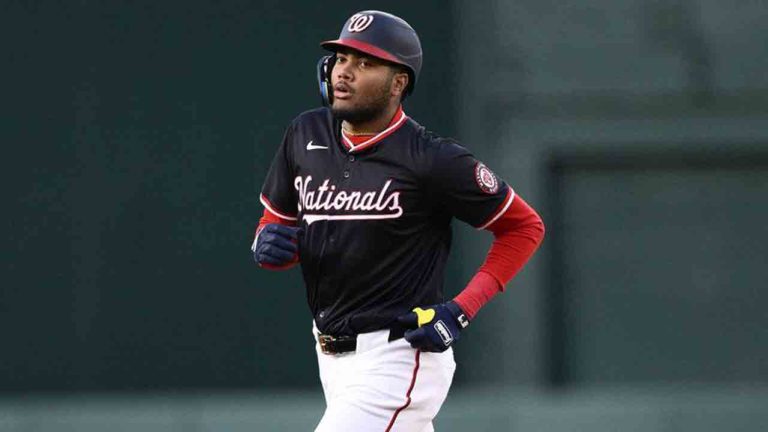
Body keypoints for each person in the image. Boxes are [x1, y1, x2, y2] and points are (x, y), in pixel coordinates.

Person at [252, 10, 545, 432]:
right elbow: (275, 224)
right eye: (341, 58)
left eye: (365, 62)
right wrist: (264, 242)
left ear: (398, 82)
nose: (344, 72)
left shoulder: (432, 158)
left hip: (399, 354)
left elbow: (523, 226)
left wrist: (461, 310)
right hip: (330, 356)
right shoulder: (305, 134)